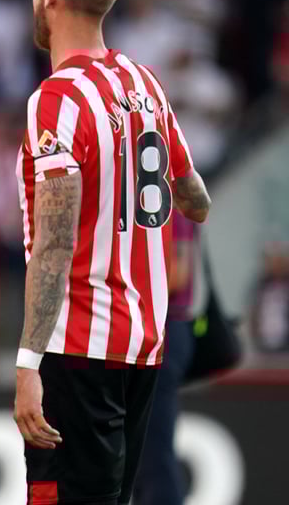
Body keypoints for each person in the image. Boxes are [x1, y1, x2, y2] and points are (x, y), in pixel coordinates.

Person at [12, 0, 212, 505]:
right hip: (145, 344)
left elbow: (53, 244)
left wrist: (28, 364)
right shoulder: (145, 85)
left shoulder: (57, 99)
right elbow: (195, 198)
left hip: (79, 348)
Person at [133, 212, 198, 504]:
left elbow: (178, 273)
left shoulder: (169, 198)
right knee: (139, 458)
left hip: (164, 333)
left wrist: (121, 283)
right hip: (148, 333)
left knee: (154, 455)